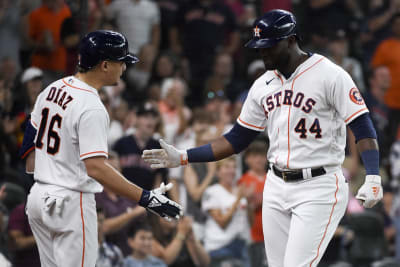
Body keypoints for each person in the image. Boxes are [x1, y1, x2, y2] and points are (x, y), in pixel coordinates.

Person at [143, 9, 383, 267]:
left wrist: (372, 174)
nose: (262, 52)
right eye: (259, 46)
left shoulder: (330, 75)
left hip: (319, 185)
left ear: (291, 40)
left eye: (269, 45)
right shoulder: (262, 85)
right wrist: (183, 156)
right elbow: (236, 139)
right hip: (276, 184)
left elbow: (362, 125)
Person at [21, 30, 182, 267]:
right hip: (70, 202)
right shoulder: (92, 106)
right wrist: (147, 198)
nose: (125, 68)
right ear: (105, 65)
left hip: (38, 197)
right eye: (121, 62)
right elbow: (96, 168)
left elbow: (29, 148)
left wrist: (48, 176)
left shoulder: (52, 88)